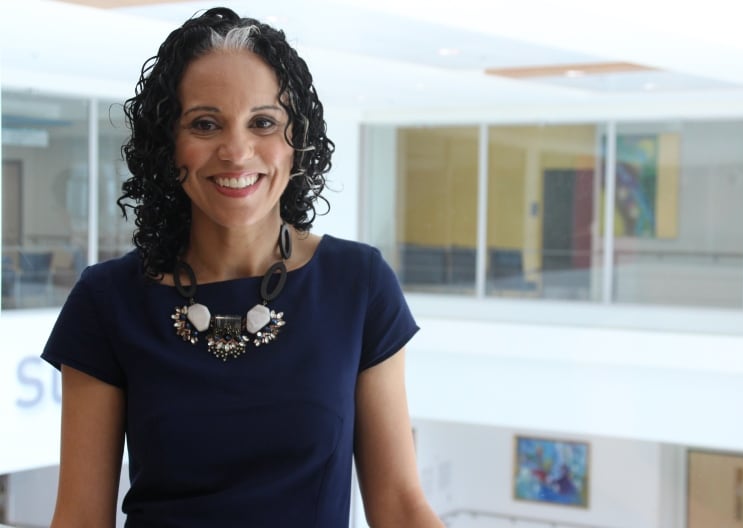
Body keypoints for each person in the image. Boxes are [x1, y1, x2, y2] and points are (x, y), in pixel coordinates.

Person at [41, 7, 443, 527]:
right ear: (169, 146)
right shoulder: (107, 299)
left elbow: (401, 506)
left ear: (295, 141)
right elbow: (79, 517)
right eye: (205, 124)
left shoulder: (358, 284)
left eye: (263, 123)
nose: (236, 151)